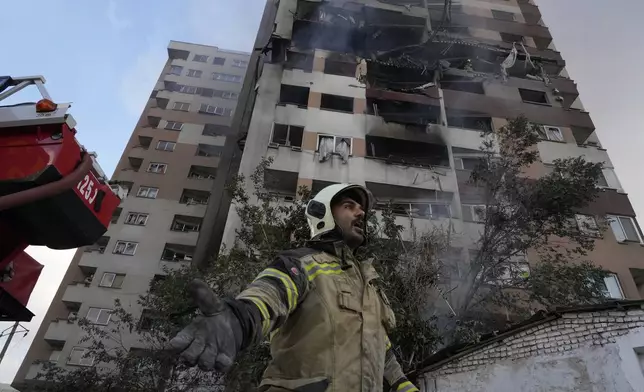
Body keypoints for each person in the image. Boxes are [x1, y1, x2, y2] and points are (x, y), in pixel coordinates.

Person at [168, 184, 419, 392]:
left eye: (362, 208)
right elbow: (269, 296)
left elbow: (382, 351)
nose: (361, 213)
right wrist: (237, 321)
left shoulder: (370, 285)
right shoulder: (302, 263)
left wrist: (405, 387)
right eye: (349, 206)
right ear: (324, 214)